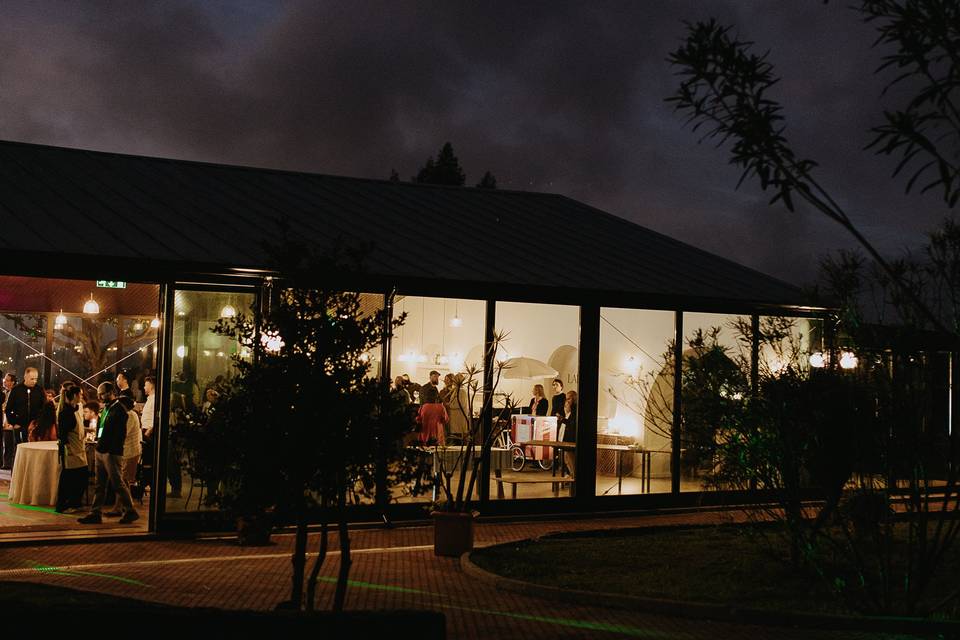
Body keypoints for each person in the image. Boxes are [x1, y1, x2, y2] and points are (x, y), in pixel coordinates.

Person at [78, 382, 139, 524]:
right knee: (100, 484)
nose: (100, 396)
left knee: (118, 483)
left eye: (102, 393)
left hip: (111, 452)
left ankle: (130, 510)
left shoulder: (118, 410)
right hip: (102, 450)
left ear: (111, 392)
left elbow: (119, 434)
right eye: (99, 394)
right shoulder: (106, 409)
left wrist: (108, 447)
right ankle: (95, 512)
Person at [107, 395, 142, 514]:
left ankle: (118, 508)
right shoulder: (129, 415)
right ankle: (126, 506)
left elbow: (124, 432)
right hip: (128, 451)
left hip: (130, 452)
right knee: (124, 481)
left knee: (122, 480)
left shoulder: (130, 415)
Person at [55, 385, 87, 513]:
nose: (82, 396)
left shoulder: (74, 409)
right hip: (71, 451)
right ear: (74, 396)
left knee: (79, 476)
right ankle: (65, 505)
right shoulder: (66, 413)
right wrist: (69, 449)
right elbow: (63, 434)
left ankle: (74, 503)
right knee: (69, 478)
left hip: (78, 449)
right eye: (80, 394)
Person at [5, 367, 45, 450]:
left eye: (36, 379)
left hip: (34, 427)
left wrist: (39, 423)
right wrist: (14, 423)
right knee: (20, 450)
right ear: (25, 377)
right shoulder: (16, 390)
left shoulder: (39, 390)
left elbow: (43, 408)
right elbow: (8, 409)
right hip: (19, 426)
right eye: (32, 379)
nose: (34, 381)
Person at [559, 390, 578, 477]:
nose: (567, 401)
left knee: (570, 459)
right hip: (568, 437)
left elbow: (572, 424)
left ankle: (573, 476)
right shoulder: (572, 410)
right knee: (566, 458)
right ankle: (571, 475)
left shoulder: (575, 410)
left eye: (569, 399)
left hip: (571, 438)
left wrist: (563, 419)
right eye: (566, 399)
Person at [1, 372, 17, 469]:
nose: (4, 382)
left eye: (7, 380)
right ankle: (6, 463)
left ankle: (9, 464)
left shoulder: (15, 394)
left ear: (12, 382)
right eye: (4, 380)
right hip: (4, 421)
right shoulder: (5, 393)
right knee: (6, 443)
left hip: (11, 423)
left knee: (10, 444)